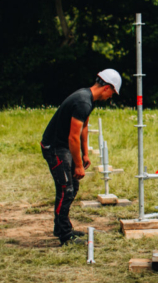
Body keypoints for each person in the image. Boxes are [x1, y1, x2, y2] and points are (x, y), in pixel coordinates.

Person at [40, 69, 122, 245]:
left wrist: (85, 153)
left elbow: (84, 126)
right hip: (54, 147)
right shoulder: (83, 101)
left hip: (63, 146)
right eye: (112, 93)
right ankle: (65, 235)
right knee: (66, 189)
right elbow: (72, 137)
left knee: (71, 186)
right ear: (107, 88)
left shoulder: (88, 99)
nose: (110, 98)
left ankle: (61, 226)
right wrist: (77, 165)